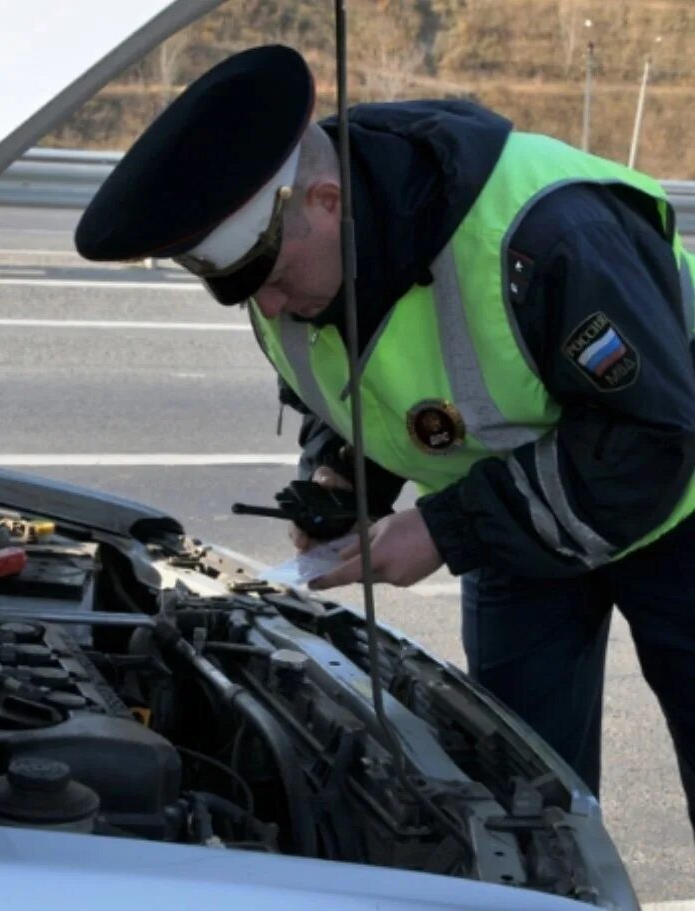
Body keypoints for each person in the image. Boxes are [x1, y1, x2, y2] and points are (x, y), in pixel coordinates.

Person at [74, 44, 695, 826]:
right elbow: (356, 383)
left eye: (270, 278)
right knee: (525, 801)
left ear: (329, 199)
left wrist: (444, 528)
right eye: (243, 293)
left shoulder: (547, 233)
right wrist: (340, 480)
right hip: (524, 513)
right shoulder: (283, 276)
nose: (267, 311)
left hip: (678, 488)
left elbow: (656, 437)